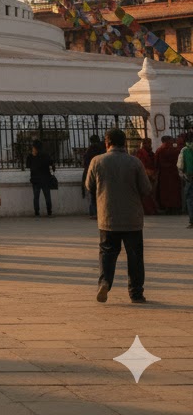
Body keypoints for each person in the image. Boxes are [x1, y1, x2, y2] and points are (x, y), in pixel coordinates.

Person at [86, 127, 153, 303]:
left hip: (107, 218)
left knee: (107, 253)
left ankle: (105, 282)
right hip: (132, 219)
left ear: (107, 143)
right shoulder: (135, 162)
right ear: (124, 143)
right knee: (135, 257)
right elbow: (146, 189)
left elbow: (89, 186)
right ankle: (136, 293)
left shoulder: (97, 161)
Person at [25, 140, 56, 218]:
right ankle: (49, 212)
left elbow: (28, 166)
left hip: (35, 180)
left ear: (34, 147)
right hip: (45, 179)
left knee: (36, 197)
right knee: (47, 196)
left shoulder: (30, 156)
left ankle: (37, 213)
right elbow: (52, 163)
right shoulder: (46, 155)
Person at [154, 136, 182, 213]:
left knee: (165, 191)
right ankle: (175, 207)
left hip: (163, 174)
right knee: (174, 191)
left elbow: (156, 163)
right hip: (174, 173)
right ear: (168, 140)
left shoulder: (159, 150)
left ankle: (166, 207)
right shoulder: (175, 150)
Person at [82, 133, 106, 219]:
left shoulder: (91, 149)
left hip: (91, 173)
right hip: (102, 173)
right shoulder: (104, 148)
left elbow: (85, 162)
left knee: (92, 195)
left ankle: (94, 213)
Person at [133, 137, 158, 216]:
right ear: (144, 144)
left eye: (150, 143)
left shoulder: (150, 153)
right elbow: (140, 164)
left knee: (151, 194)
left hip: (152, 175)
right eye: (148, 143)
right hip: (145, 175)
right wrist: (149, 173)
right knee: (146, 194)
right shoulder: (141, 152)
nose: (150, 145)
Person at [178, 135, 193, 228]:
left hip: (189, 177)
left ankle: (192, 221)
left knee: (190, 198)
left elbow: (180, 165)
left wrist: (182, 175)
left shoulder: (184, 150)